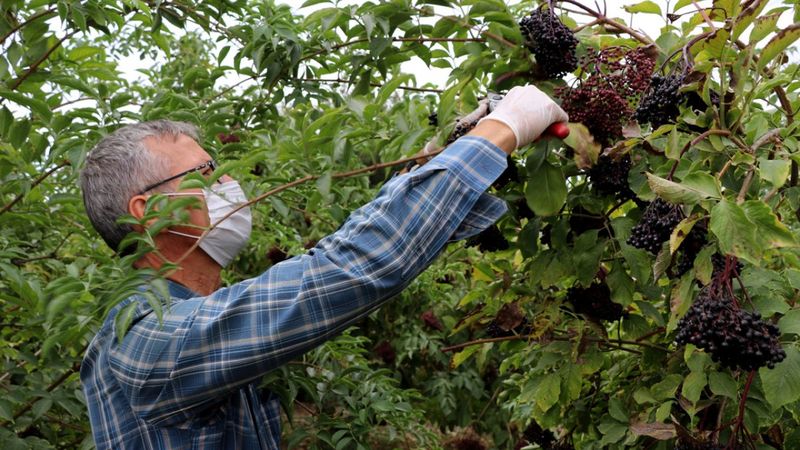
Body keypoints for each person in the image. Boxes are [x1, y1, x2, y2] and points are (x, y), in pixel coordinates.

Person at [78, 85, 568, 449]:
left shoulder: (197, 319)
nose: (226, 182)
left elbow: (355, 250)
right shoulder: (143, 338)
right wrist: (500, 131)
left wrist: (450, 147)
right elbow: (347, 268)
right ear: (146, 212)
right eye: (204, 173)